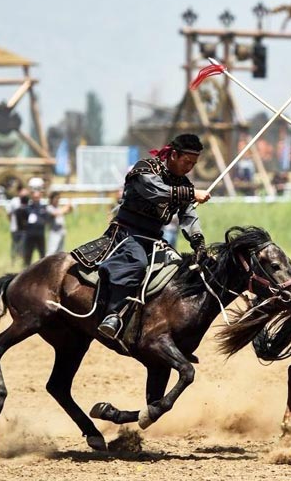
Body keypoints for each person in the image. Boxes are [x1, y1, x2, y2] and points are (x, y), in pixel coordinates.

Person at [89, 134, 211, 339]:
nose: (190, 167)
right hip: (127, 233)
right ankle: (112, 314)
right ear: (173, 155)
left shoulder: (183, 183)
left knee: (178, 269)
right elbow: (154, 191)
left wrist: (198, 243)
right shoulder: (145, 168)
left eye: (194, 163)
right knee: (137, 262)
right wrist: (191, 194)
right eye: (187, 161)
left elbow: (188, 216)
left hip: (155, 239)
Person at [23, 190, 48, 266]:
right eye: (34, 197)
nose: (36, 199)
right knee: (28, 253)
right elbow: (23, 220)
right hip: (30, 234)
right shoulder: (28, 208)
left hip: (40, 234)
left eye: (37, 197)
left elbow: (46, 219)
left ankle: (43, 269)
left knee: (42, 253)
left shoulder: (43, 208)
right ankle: (26, 269)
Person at [7, 186, 29, 264]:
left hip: (24, 229)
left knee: (23, 246)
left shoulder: (27, 201)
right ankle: (13, 260)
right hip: (15, 228)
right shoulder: (14, 201)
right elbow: (9, 214)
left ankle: (22, 261)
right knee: (15, 245)